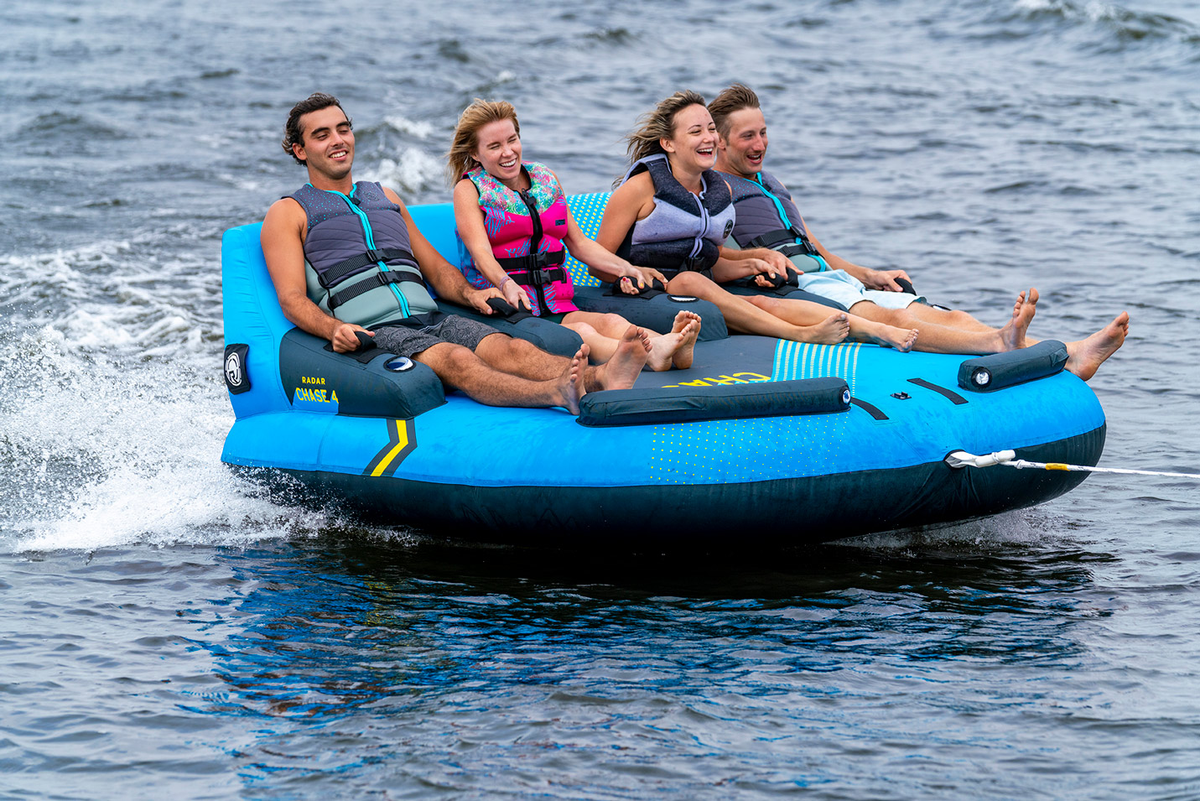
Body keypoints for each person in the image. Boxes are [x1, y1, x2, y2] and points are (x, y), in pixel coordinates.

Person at [707, 83, 1129, 379]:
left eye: (763, 132)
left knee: (948, 315)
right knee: (892, 318)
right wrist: (753, 262)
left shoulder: (771, 183)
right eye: (748, 136)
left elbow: (814, 247)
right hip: (794, 287)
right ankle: (1001, 343)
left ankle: (1069, 355)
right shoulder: (712, 190)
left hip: (828, 276)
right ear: (721, 143)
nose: (760, 144)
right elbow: (707, 257)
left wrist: (869, 274)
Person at [260, 93, 648, 415]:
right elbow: (291, 298)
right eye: (322, 135)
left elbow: (435, 268)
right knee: (456, 359)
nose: (338, 140)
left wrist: (471, 294)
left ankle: (600, 377)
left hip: (430, 316)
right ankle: (555, 392)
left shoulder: (384, 196)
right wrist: (333, 329)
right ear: (300, 150)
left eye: (343, 129)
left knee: (509, 347)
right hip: (376, 330)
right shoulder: (289, 212)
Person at [595, 91, 921, 351]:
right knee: (689, 282)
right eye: (696, 132)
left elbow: (711, 258)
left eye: (711, 129)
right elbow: (599, 261)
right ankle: (799, 334)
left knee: (762, 299)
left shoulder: (718, 190)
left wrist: (755, 261)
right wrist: (631, 272)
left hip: (698, 282)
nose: (709, 138)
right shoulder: (640, 189)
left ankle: (875, 329)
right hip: (645, 288)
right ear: (668, 143)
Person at [449, 99, 700, 371]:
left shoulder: (545, 179)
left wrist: (627, 269)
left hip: (556, 302)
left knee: (611, 322)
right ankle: (653, 355)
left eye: (512, 140)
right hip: (509, 307)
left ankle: (672, 346)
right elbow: (480, 254)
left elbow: (579, 244)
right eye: (494, 146)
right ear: (475, 153)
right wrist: (506, 283)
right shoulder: (469, 190)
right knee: (582, 331)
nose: (508, 152)